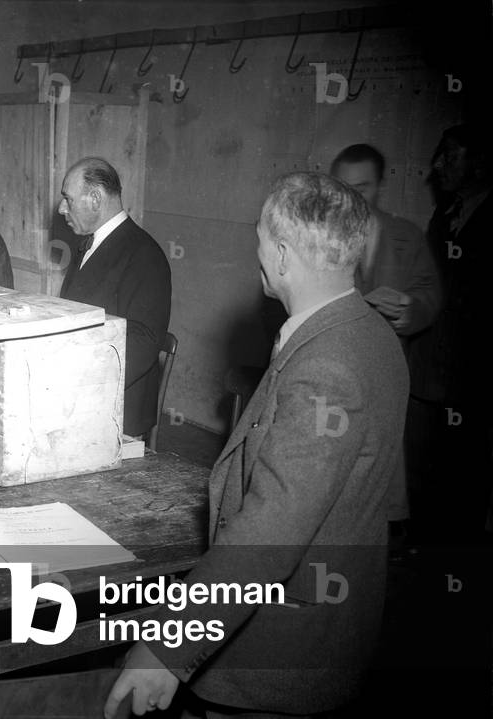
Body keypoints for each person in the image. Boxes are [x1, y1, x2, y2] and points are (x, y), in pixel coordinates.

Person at [104, 172, 408, 718]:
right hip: (331, 630)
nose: (258, 252)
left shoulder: (326, 366)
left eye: (262, 239)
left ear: (285, 255)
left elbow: (274, 529)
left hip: (280, 653)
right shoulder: (369, 333)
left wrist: (169, 646)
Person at [330, 143, 441, 525]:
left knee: (382, 467)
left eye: (362, 187)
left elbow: (430, 294)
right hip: (337, 370)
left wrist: (411, 309)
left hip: (385, 369)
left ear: (379, 186)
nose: (351, 196)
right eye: (343, 186)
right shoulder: (322, 237)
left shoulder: (406, 236)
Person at [410, 125, 493, 545]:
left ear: (480, 162)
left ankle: (452, 562)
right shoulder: (444, 215)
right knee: (421, 462)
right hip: (429, 368)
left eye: (450, 155)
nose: (436, 165)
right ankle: (417, 546)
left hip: (472, 375)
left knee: (463, 473)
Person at [57, 157, 171, 440]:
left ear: (95, 198)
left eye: (68, 200)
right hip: (80, 394)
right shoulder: (89, 244)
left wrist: (75, 383)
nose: (61, 209)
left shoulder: (144, 254)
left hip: (115, 409)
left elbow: (142, 342)